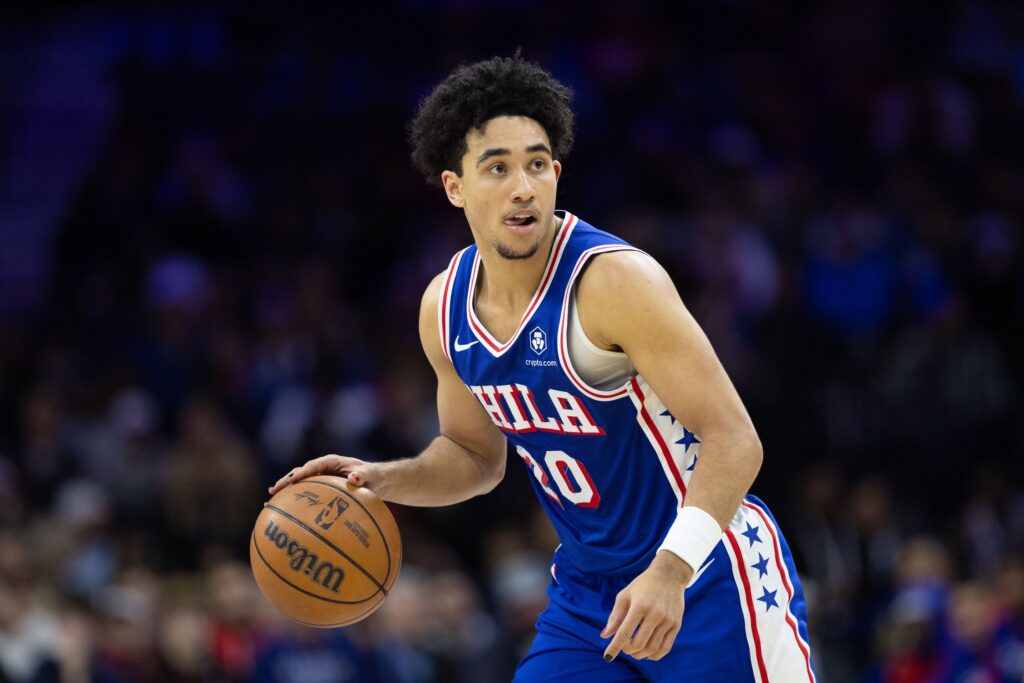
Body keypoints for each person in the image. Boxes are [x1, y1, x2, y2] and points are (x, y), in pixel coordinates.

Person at [270, 56, 816, 682]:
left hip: (706, 573)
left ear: (556, 173)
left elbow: (735, 440)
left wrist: (671, 570)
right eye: (497, 168)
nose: (522, 186)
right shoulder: (443, 308)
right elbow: (474, 458)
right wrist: (381, 480)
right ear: (455, 187)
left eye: (536, 164)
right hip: (589, 592)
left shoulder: (614, 282)